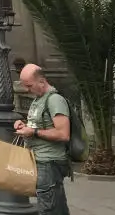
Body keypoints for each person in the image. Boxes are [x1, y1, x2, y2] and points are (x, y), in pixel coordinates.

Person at [14, 64, 72, 215]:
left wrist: (33, 131)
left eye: (29, 85)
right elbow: (40, 125)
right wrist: (24, 126)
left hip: (49, 162)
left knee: (48, 208)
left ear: (42, 81)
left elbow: (63, 134)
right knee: (56, 207)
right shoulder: (38, 99)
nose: (27, 90)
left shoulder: (55, 100)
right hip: (40, 160)